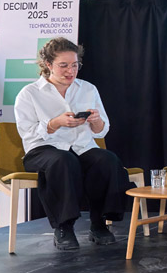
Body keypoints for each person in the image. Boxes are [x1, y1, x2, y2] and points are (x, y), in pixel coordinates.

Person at [14, 37, 131, 250]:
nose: (71, 71)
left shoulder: (88, 89)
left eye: (75, 65)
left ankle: (100, 224)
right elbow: (28, 133)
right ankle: (63, 227)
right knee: (63, 160)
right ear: (48, 65)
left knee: (107, 160)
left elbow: (101, 131)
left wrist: (95, 120)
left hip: (81, 147)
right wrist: (55, 123)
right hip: (43, 149)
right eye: (64, 65)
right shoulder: (29, 94)